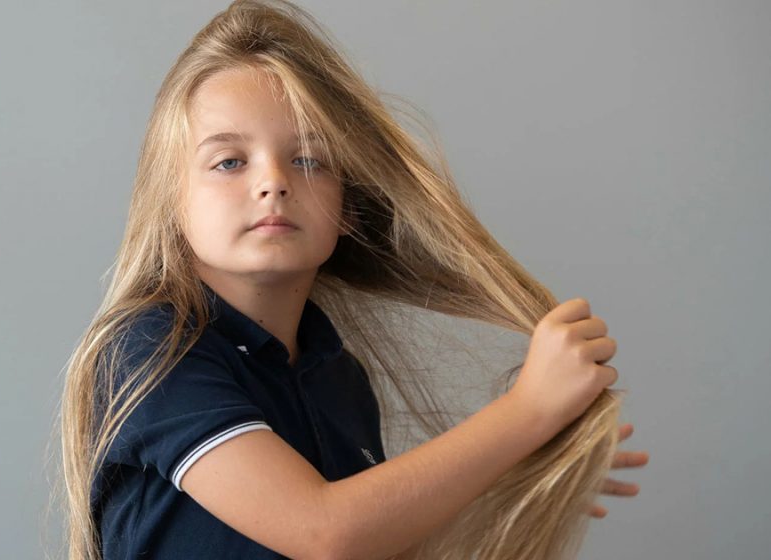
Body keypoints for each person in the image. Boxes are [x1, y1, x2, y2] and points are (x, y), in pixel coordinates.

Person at [57, 1, 649, 559]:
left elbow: (376, 536)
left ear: (346, 210)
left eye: (310, 159)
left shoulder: (338, 374)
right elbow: (323, 531)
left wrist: (532, 473)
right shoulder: (152, 350)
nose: (274, 182)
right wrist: (527, 414)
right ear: (171, 204)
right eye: (229, 161)